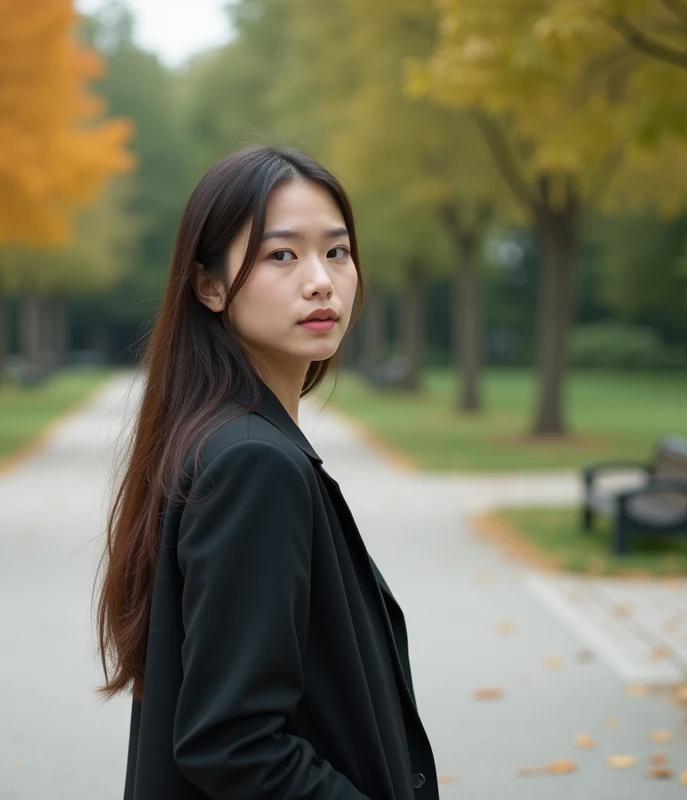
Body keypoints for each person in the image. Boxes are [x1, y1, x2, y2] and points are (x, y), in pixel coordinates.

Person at [95, 145, 438, 799]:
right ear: (209, 285)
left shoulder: (220, 439)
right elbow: (233, 743)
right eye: (282, 255)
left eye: (337, 251)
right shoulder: (253, 464)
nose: (321, 281)